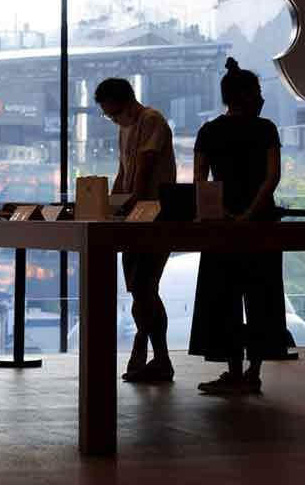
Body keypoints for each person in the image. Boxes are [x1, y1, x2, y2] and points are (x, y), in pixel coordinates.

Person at [189, 57, 287, 395]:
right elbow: (272, 177)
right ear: (245, 95)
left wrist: (223, 213)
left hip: (220, 227)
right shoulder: (266, 129)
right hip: (261, 225)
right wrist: (249, 214)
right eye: (257, 91)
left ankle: (232, 370)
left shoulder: (208, 131)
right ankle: (253, 371)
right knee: (263, 296)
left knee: (222, 298)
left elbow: (200, 179)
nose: (261, 97)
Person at [95, 77, 176, 383]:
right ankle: (156, 357)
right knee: (141, 290)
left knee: (144, 286)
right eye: (109, 116)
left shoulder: (151, 120)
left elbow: (144, 168)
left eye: (114, 113)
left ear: (128, 102)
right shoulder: (125, 128)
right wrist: (111, 205)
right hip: (134, 217)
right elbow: (124, 173)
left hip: (153, 216)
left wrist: (128, 205)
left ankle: (154, 355)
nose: (113, 119)